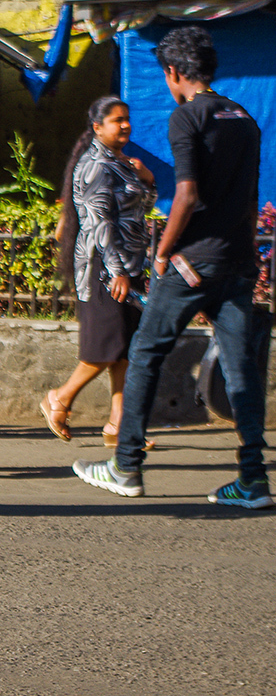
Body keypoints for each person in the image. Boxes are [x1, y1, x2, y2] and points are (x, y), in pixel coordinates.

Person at [75, 26, 271, 509]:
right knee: (241, 368)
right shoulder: (244, 117)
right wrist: (241, 255)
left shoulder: (188, 117)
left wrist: (163, 251)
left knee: (146, 353)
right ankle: (252, 480)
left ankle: (126, 465)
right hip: (236, 262)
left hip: (189, 263)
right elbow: (249, 202)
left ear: (175, 72)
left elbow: (186, 193)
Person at [40, 98, 156, 444]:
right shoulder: (94, 166)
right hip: (102, 269)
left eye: (127, 119)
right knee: (106, 347)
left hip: (129, 266)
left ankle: (119, 426)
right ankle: (59, 398)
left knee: (125, 349)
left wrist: (148, 181)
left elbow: (140, 211)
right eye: (116, 120)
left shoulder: (123, 164)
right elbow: (99, 223)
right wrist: (116, 270)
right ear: (97, 128)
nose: (125, 126)